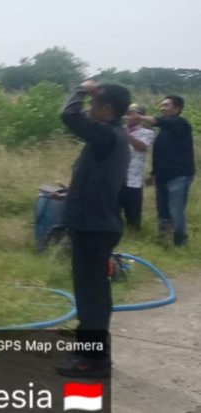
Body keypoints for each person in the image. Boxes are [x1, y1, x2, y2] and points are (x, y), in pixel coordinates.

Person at [56, 80, 131, 378]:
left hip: (93, 227)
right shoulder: (112, 137)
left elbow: (69, 115)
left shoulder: (106, 135)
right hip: (97, 223)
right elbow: (101, 181)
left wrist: (79, 88)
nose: (89, 109)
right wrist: (71, 192)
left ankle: (93, 360)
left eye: (94, 104)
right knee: (92, 293)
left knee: (92, 295)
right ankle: (88, 350)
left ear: (107, 109)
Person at [138, 95, 194, 246]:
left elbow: (158, 120)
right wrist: (153, 173)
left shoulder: (180, 123)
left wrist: (139, 116)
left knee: (176, 210)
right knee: (162, 210)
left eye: (166, 105)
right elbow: (162, 153)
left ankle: (180, 241)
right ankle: (164, 240)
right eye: (161, 105)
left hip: (178, 176)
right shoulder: (164, 129)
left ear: (177, 109)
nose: (162, 108)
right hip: (162, 176)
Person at [120, 104, 155, 231]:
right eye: (127, 113)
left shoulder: (148, 133)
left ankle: (134, 234)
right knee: (112, 210)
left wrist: (127, 135)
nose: (127, 116)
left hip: (133, 179)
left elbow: (142, 147)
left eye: (131, 113)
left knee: (133, 215)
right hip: (115, 177)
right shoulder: (118, 130)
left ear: (140, 116)